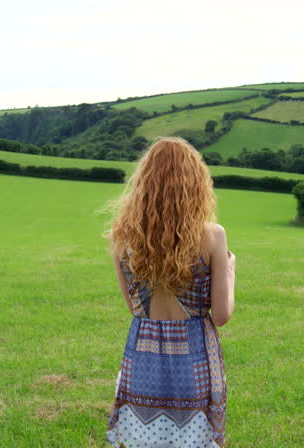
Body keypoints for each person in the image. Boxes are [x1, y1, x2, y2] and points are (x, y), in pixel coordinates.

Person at [104, 137, 236, 448]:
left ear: (144, 182)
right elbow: (221, 315)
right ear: (196, 182)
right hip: (195, 360)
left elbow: (132, 306)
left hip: (142, 358)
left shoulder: (121, 237)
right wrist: (230, 269)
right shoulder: (212, 236)